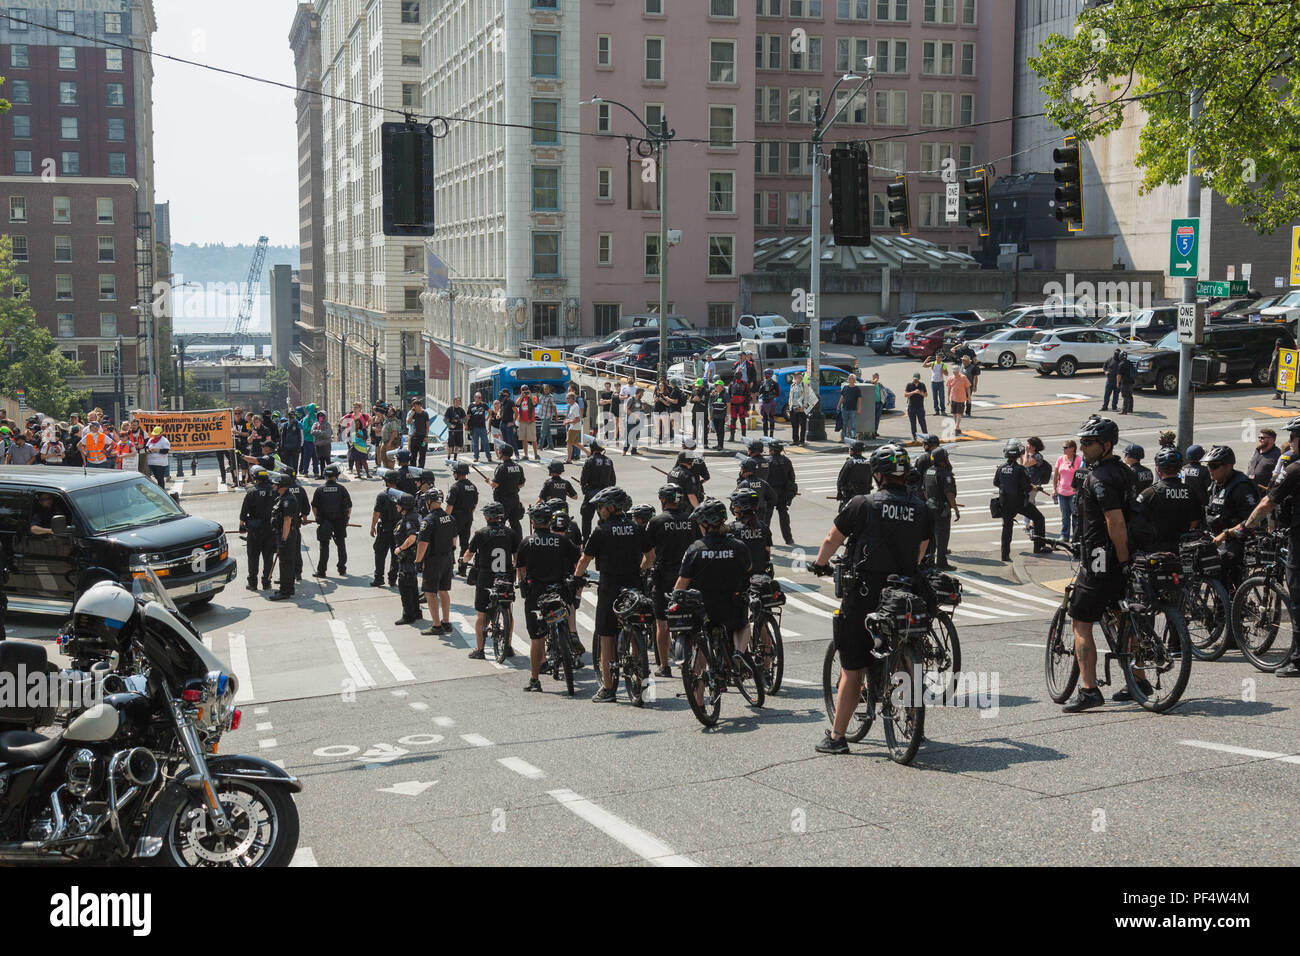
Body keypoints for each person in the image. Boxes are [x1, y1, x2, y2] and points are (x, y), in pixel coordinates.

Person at [806, 444, 932, 754]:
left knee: (852, 668)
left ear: (878, 475)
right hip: (904, 592)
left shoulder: (862, 504)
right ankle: (914, 720)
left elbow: (831, 540)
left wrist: (820, 565)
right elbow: (921, 551)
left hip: (865, 594)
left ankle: (836, 737)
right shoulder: (922, 509)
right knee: (907, 648)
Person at [1060, 417, 1135, 712]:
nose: (1083, 447)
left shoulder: (1099, 477)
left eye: (1088, 443)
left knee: (1081, 622)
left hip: (1102, 558)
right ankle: (1137, 681)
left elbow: (1114, 521)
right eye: (1081, 443)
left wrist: (1122, 558)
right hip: (1123, 556)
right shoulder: (1127, 472)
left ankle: (1090, 689)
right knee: (1123, 618)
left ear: (1106, 445)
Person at [1225, 416, 1300, 676]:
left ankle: (1298, 659)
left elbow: (1268, 501)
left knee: (1297, 595)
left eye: (1293, 437)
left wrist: (1245, 526)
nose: (1290, 442)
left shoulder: (1294, 469)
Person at [674, 498, 754, 710]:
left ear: (705, 524)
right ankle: (738, 652)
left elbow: (682, 582)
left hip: (704, 608)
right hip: (731, 604)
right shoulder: (738, 546)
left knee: (700, 653)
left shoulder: (695, 548)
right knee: (743, 626)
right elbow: (749, 569)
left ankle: (699, 702)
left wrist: (674, 599)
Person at [572, 486, 648, 704]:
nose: (599, 511)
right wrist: (639, 571)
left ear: (612, 508)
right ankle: (640, 674)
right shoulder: (636, 528)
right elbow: (650, 556)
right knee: (636, 628)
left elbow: (585, 559)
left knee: (606, 635)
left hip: (610, 587)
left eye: (601, 507)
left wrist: (577, 579)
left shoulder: (601, 531)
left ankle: (608, 688)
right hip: (634, 585)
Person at [517, 503, 582, 692]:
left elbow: (520, 568)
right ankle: (571, 636)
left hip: (536, 593)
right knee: (567, 613)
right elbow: (578, 558)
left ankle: (535, 680)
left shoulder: (526, 542)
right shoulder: (561, 541)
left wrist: (522, 583)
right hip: (559, 589)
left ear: (533, 522)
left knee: (536, 639)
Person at [645, 484, 697, 677]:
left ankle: (664, 666)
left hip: (663, 577)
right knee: (690, 620)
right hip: (687, 576)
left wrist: (643, 568)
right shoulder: (691, 520)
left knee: (662, 623)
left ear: (663, 500)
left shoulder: (656, 521)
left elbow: (647, 552)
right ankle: (693, 661)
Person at [1204, 444, 1259, 589]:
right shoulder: (1216, 484)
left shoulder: (1241, 486)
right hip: (1218, 537)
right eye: (1208, 465)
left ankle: (1233, 605)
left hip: (1238, 540)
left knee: (1223, 562)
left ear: (1228, 466)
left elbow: (1252, 520)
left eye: (1214, 466)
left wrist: (1227, 534)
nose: (1210, 469)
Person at [1140, 448, 1203, 551]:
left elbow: (1138, 522)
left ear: (1158, 470)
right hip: (1184, 549)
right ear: (1179, 469)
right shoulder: (1190, 492)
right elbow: (1195, 521)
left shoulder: (1149, 493)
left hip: (1157, 551)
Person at [416, 488, 459, 636]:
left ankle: (436, 625)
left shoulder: (428, 521)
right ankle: (446, 622)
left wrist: (418, 561)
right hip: (447, 558)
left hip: (433, 560)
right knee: (443, 590)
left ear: (429, 501)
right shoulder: (450, 518)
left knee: (430, 592)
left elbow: (423, 543)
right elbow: (454, 540)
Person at [994, 439, 1046, 561]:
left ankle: (1005, 555)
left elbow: (996, 482)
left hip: (1005, 503)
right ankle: (1038, 547)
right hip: (1020, 503)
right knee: (1039, 519)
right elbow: (1027, 487)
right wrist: (1035, 488)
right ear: (1018, 455)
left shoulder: (1001, 468)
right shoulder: (1020, 469)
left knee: (1007, 527)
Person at [267, 472, 303, 601]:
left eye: (276, 483)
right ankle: (288, 587)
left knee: (285, 563)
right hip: (283, 534)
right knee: (286, 563)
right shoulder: (282, 497)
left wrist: (284, 539)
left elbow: (287, 520)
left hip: (286, 535)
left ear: (282, 485)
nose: (273, 485)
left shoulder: (289, 499)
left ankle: (285, 591)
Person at [311, 463, 351, 577]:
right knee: (341, 545)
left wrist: (317, 518)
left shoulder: (319, 490)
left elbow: (314, 506)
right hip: (339, 521)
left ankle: (322, 571)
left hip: (325, 522)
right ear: (336, 475)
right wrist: (347, 519)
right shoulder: (341, 489)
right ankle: (342, 569)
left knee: (324, 547)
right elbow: (349, 506)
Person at [390, 493, 424, 625]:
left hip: (408, 557)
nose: (396, 506)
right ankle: (416, 612)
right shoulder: (414, 516)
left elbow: (412, 538)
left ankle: (408, 615)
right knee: (413, 586)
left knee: (405, 586)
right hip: (412, 557)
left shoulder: (409, 519)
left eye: (398, 504)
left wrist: (400, 549)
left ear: (404, 506)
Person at [923, 446, 960, 569]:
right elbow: (949, 493)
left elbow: (925, 490)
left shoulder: (928, 472)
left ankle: (929, 561)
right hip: (941, 509)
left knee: (932, 536)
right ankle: (941, 563)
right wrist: (955, 509)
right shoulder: (945, 474)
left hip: (930, 507)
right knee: (943, 536)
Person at [728, 488, 772, 577]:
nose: (733, 507)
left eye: (735, 505)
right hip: (760, 577)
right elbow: (767, 552)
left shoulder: (732, 528)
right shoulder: (764, 527)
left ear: (741, 508)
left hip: (740, 578)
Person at [579, 439, 616, 543]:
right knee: (606, 518)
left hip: (591, 493)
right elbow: (613, 480)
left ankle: (586, 541)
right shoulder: (609, 461)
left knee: (586, 518)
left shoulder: (589, 460)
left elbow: (583, 480)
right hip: (605, 494)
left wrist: (585, 491)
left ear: (592, 448)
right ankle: (607, 540)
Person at [370, 471, 402, 588]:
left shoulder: (382, 495)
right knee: (396, 554)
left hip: (385, 529)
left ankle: (379, 578)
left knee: (379, 553)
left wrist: (372, 527)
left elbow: (376, 513)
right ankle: (392, 579)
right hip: (398, 529)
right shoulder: (402, 495)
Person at [447, 462, 479, 575]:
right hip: (468, 517)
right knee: (464, 544)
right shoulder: (473, 486)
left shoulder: (455, 487)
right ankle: (462, 569)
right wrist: (469, 513)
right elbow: (475, 503)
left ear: (458, 473)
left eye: (454, 472)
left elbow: (449, 506)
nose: (453, 474)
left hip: (455, 518)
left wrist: (446, 519)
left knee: (450, 544)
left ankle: (449, 569)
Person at [490, 442, 526, 540]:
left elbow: (495, 484)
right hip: (514, 498)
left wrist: (488, 481)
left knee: (500, 522)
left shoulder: (501, 468)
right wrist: (514, 488)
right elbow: (522, 483)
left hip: (502, 500)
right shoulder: (518, 467)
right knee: (515, 522)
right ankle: (519, 541)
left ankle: (501, 541)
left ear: (502, 454)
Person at [766, 440, 797, 546]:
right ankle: (788, 539)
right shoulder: (787, 461)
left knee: (767, 517)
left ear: (772, 450)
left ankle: (766, 540)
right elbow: (792, 478)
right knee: (784, 515)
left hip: (770, 492)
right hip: (783, 492)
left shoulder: (767, 461)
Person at [736, 456, 778, 532]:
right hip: (761, 514)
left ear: (746, 469)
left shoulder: (743, 484)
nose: (740, 470)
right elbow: (773, 498)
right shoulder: (763, 483)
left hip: (746, 516)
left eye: (741, 468)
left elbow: (735, 502)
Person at [1052, 438, 1082, 541]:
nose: (1063, 449)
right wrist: (1054, 489)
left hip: (1073, 492)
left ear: (1072, 449)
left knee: (1075, 516)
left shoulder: (1078, 460)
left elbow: (1082, 475)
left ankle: (1075, 536)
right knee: (1065, 516)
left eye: (1065, 447)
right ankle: (1064, 535)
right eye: (1063, 447)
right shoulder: (1061, 459)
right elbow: (1056, 475)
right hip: (1061, 492)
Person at [836, 440, 873, 508]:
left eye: (850, 449)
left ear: (853, 450)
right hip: (865, 496)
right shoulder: (868, 462)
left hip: (850, 496)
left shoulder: (850, 462)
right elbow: (870, 480)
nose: (849, 450)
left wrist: (839, 492)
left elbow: (841, 478)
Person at [1247, 428, 1281, 497]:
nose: (1259, 439)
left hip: (1264, 494)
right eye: (1259, 437)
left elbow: (1279, 475)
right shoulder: (1257, 450)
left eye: (1262, 438)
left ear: (1271, 440)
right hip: (1250, 491)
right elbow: (1250, 467)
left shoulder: (1277, 454)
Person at [787, 371, 814, 445]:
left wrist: (804, 406)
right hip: (794, 407)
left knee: (802, 425)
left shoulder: (804, 385)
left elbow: (807, 397)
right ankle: (795, 440)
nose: (795, 377)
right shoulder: (792, 385)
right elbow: (790, 397)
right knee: (794, 425)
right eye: (794, 376)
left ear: (800, 377)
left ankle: (802, 441)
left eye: (797, 376)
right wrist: (790, 406)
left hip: (801, 408)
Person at [516, 386, 539, 462]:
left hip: (530, 421)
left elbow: (535, 404)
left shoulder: (533, 397)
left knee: (533, 439)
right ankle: (526, 455)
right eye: (523, 390)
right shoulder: (520, 398)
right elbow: (517, 404)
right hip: (522, 421)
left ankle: (536, 454)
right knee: (524, 439)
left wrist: (531, 396)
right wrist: (521, 396)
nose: (525, 391)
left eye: (526, 390)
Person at [836, 373, 860, 443]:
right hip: (844, 409)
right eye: (849, 378)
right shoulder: (845, 387)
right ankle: (843, 439)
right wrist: (838, 405)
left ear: (854, 380)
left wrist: (859, 409)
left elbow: (859, 400)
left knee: (853, 425)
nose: (850, 379)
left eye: (852, 378)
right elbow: (842, 397)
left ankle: (853, 439)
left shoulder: (857, 389)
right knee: (844, 425)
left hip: (853, 409)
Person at [467, 392, 491, 463]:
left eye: (480, 397)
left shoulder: (484, 405)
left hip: (482, 427)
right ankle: (476, 457)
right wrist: (466, 425)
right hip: (474, 427)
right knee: (475, 443)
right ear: (475, 398)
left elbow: (490, 411)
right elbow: (468, 416)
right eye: (478, 397)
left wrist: (487, 418)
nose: (479, 399)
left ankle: (489, 456)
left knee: (486, 442)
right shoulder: (471, 405)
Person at [757, 368, 780, 438]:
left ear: (770, 375)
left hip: (771, 401)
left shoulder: (774, 384)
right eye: (765, 374)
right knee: (764, 419)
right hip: (764, 401)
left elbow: (778, 393)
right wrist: (762, 387)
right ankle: (765, 435)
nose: (766, 376)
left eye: (767, 374)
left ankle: (771, 435)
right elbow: (760, 392)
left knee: (771, 418)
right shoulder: (763, 382)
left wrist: (771, 394)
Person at [905, 372, 928, 441]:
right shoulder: (909, 385)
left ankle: (926, 436)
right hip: (911, 407)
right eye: (914, 379)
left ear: (919, 379)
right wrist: (914, 392)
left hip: (920, 407)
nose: (915, 380)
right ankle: (914, 437)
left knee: (922, 422)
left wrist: (921, 393)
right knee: (913, 423)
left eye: (917, 379)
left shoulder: (922, 385)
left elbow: (926, 395)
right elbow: (905, 394)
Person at [407, 399, 430, 468]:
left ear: (419, 406)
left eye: (415, 406)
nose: (414, 407)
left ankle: (421, 468)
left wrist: (426, 436)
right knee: (413, 454)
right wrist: (412, 414)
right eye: (413, 406)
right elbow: (408, 422)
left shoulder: (425, 414)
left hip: (423, 437)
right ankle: (413, 467)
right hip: (414, 436)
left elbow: (427, 426)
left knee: (422, 454)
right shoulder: (413, 413)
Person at [727, 375, 750, 443]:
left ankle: (744, 437)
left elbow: (748, 395)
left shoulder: (745, 384)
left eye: (739, 375)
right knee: (732, 421)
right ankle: (732, 436)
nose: (738, 376)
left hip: (741, 405)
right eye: (737, 375)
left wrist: (747, 405)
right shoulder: (731, 384)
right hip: (734, 405)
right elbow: (729, 394)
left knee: (742, 420)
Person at [444, 396, 467, 462]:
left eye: (458, 401)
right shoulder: (449, 409)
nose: (457, 403)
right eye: (456, 401)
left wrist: (459, 420)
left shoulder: (461, 410)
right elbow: (445, 419)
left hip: (459, 430)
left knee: (457, 445)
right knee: (450, 445)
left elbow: (465, 419)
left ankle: (455, 458)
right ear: (453, 402)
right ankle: (448, 458)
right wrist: (450, 425)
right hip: (452, 430)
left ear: (460, 402)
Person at [563, 389, 583, 462]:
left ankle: (569, 459)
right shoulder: (572, 406)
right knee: (575, 443)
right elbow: (573, 418)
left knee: (569, 443)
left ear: (572, 399)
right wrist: (568, 420)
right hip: (573, 427)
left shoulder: (575, 407)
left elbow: (577, 419)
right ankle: (588, 453)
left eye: (568, 398)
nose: (566, 400)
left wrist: (568, 422)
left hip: (574, 427)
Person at [709, 379, 729, 450]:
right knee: (717, 431)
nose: (715, 387)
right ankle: (718, 444)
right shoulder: (715, 395)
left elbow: (728, 405)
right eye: (715, 385)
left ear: (721, 386)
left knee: (721, 431)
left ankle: (721, 445)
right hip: (715, 416)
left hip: (721, 415)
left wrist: (727, 415)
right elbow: (713, 406)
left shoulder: (725, 394)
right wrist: (711, 415)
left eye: (717, 385)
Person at [498, 388, 518, 453]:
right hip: (502, 423)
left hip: (509, 423)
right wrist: (498, 414)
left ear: (507, 394)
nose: (501, 395)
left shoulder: (511, 402)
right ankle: (507, 455)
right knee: (505, 441)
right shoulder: (503, 402)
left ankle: (516, 454)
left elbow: (516, 412)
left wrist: (513, 422)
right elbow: (500, 410)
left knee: (511, 441)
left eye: (503, 393)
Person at [536, 386, 555, 452]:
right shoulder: (542, 396)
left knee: (542, 431)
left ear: (549, 389)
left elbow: (554, 406)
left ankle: (539, 446)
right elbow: (538, 402)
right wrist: (536, 394)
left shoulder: (551, 397)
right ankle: (551, 445)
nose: (546, 390)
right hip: (542, 416)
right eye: (544, 389)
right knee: (547, 432)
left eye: (547, 389)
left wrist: (556, 416)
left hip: (548, 416)